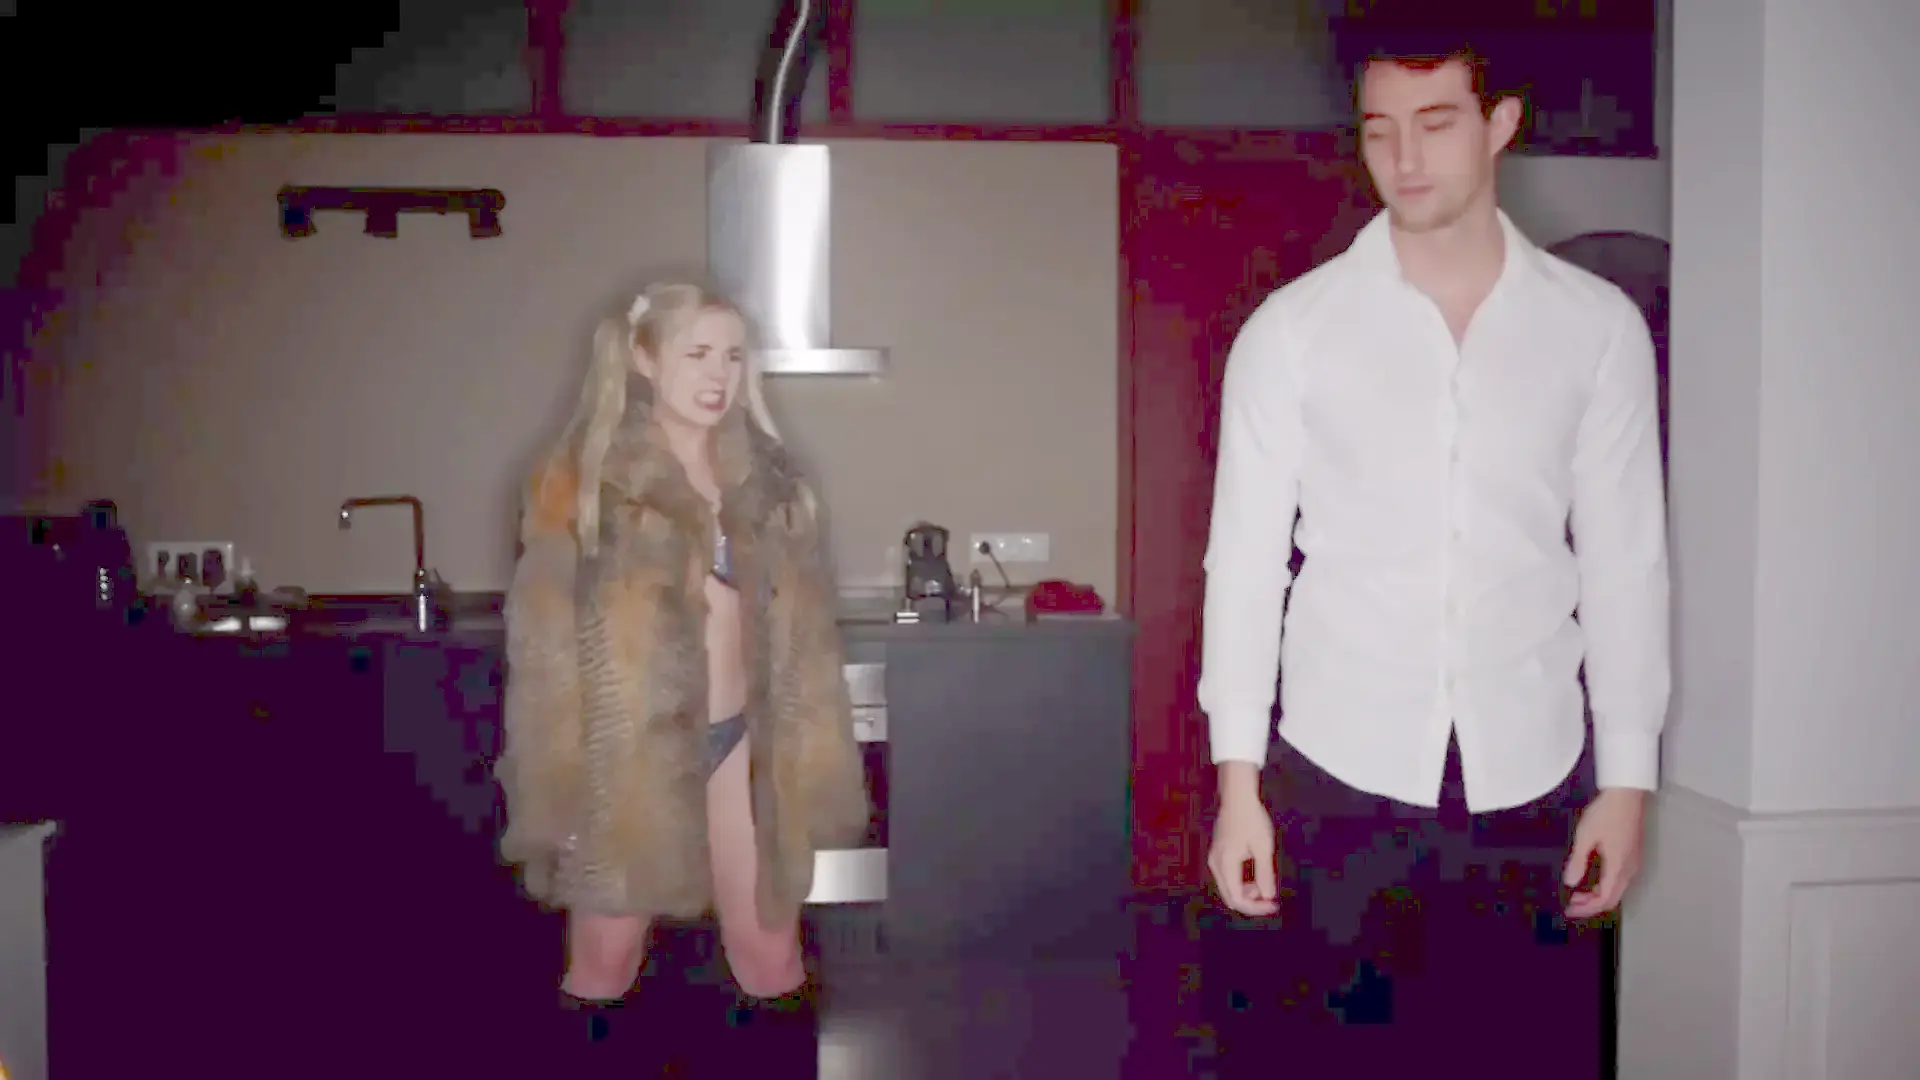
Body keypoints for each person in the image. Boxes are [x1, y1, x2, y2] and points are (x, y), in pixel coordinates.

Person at [1197, 38, 1669, 1078]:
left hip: (1535, 777)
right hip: (1336, 773)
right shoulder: (1292, 332)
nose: (1405, 159)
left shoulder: (1596, 331)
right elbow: (1245, 567)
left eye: (1437, 123)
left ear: (1501, 124)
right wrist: (1238, 784)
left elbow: (1626, 561)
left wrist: (1627, 779)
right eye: (1381, 131)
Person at [497, 281, 870, 1069]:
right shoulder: (584, 482)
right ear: (642, 357)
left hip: (743, 743)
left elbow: (806, 638)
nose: (718, 374)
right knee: (605, 962)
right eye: (696, 353)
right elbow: (544, 650)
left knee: (771, 955)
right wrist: (557, 786)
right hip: (624, 755)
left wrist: (809, 759)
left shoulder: (769, 482)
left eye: (732, 355)